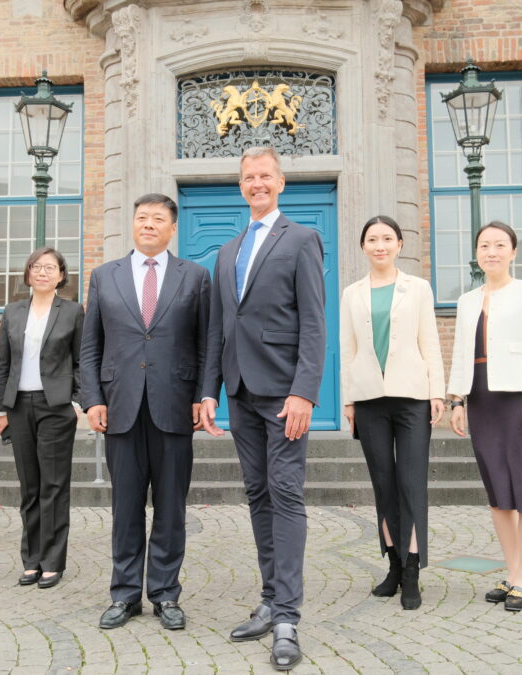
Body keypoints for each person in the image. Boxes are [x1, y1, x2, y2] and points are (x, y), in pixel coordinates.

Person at [200, 146, 326, 672]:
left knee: (286, 493)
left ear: (281, 182)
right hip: (241, 393)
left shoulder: (300, 239)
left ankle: (288, 617)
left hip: (283, 393)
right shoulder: (227, 251)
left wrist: (304, 391)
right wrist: (209, 391)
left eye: (265, 176)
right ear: (241, 185)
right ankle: (271, 601)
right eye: (249, 177)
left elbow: (315, 322)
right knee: (256, 493)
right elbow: (217, 330)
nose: (257, 183)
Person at [80, 193, 210, 631]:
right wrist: (93, 399)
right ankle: (124, 594)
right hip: (120, 407)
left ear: (173, 228)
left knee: (171, 507)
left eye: (158, 219)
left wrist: (204, 394)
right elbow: (90, 345)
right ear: (132, 225)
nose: (149, 224)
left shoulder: (195, 277)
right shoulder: (104, 276)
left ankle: (166, 594)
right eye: (142, 218)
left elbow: (208, 342)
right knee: (125, 506)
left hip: (175, 406)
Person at [447, 220, 522, 612]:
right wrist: (457, 400)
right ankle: (512, 573)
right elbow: (461, 353)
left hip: (518, 401)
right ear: (476, 253)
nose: (491, 251)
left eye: (499, 245)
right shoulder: (466, 301)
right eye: (484, 245)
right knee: (498, 495)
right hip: (482, 403)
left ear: (512, 252)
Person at [340, 215, 444, 611]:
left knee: (411, 483)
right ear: (364, 246)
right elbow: (348, 350)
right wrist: (348, 401)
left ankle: (414, 569)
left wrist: (437, 393)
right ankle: (394, 565)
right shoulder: (352, 293)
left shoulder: (417, 288)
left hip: (412, 398)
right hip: (369, 401)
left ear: (400, 244)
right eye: (372, 239)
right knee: (383, 483)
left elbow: (430, 342)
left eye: (387, 238)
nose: (379, 245)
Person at [0, 247, 83, 590]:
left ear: (61, 275)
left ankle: (52, 561)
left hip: (56, 407)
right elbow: (3, 364)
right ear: (28, 273)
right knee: (29, 487)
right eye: (36, 266)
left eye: (50, 267)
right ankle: (31, 560)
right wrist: (2, 408)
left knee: (54, 486)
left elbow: (80, 361)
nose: (42, 272)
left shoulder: (73, 312)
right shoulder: (13, 312)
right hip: (19, 406)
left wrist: (76, 402)